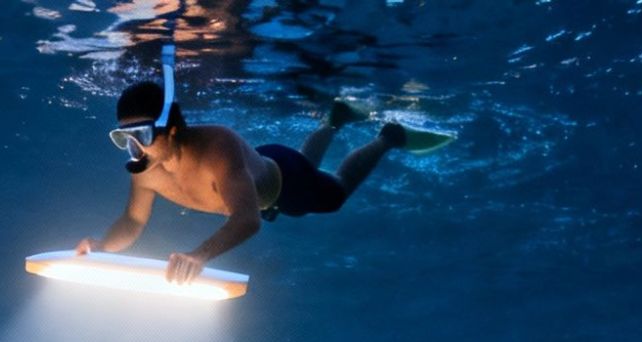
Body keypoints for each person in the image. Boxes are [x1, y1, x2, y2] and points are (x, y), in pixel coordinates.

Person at [76, 82, 445, 285]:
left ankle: (388, 137)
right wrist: (102, 245)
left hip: (284, 183)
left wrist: (199, 255)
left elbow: (247, 219)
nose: (134, 147)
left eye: (140, 134)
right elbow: (133, 221)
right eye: (123, 138)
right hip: (257, 167)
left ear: (171, 130)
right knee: (306, 163)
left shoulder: (215, 148)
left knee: (336, 191)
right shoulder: (148, 168)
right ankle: (334, 120)